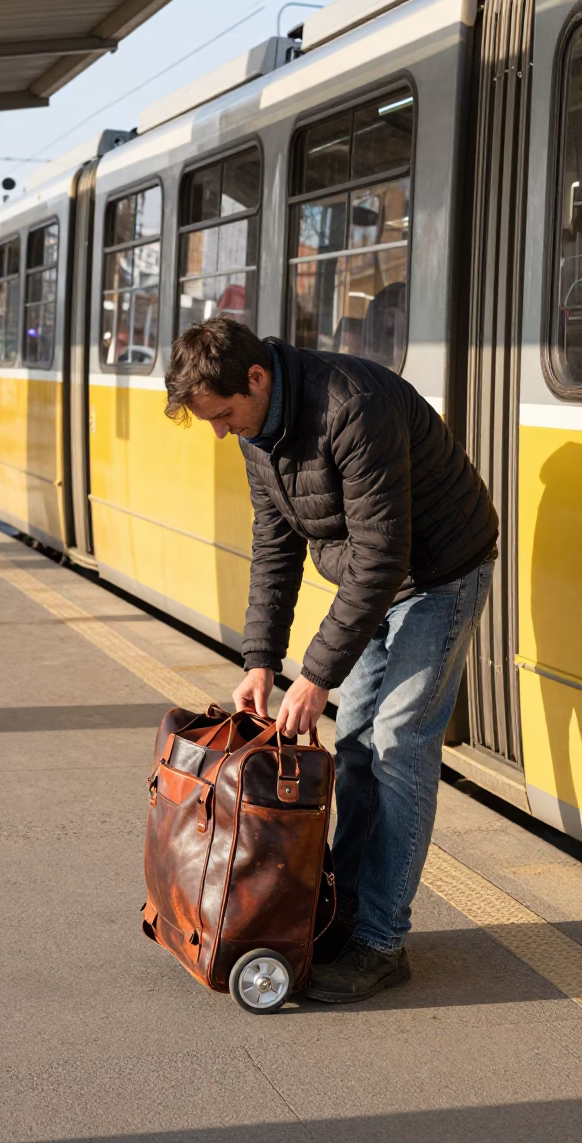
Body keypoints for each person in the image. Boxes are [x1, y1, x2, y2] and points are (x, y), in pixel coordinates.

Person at [164, 316, 498, 1005]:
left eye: (224, 416)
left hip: (437, 575)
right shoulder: (259, 429)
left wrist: (316, 675)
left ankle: (382, 941)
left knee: (399, 746)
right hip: (374, 581)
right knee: (353, 749)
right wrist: (260, 659)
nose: (222, 433)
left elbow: (384, 555)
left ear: (256, 379)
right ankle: (343, 916)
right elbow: (276, 544)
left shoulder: (352, 406)